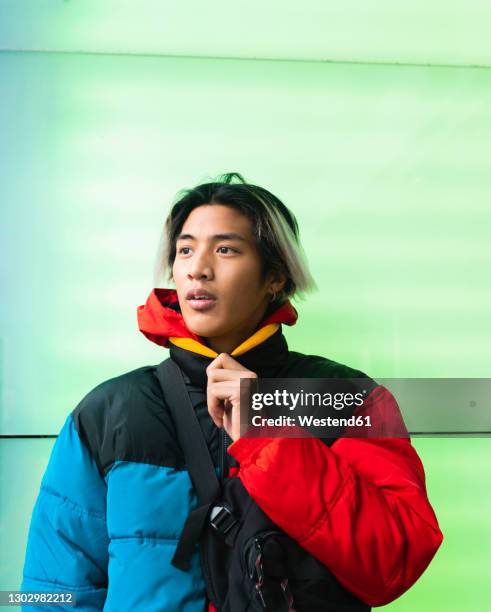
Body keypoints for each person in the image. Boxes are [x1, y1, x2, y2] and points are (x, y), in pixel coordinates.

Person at [20, 172, 443, 611]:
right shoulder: (108, 412)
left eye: (225, 249)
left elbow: (394, 562)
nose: (197, 268)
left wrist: (268, 436)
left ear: (275, 276)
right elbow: (54, 591)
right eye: (185, 250)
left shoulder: (348, 398)